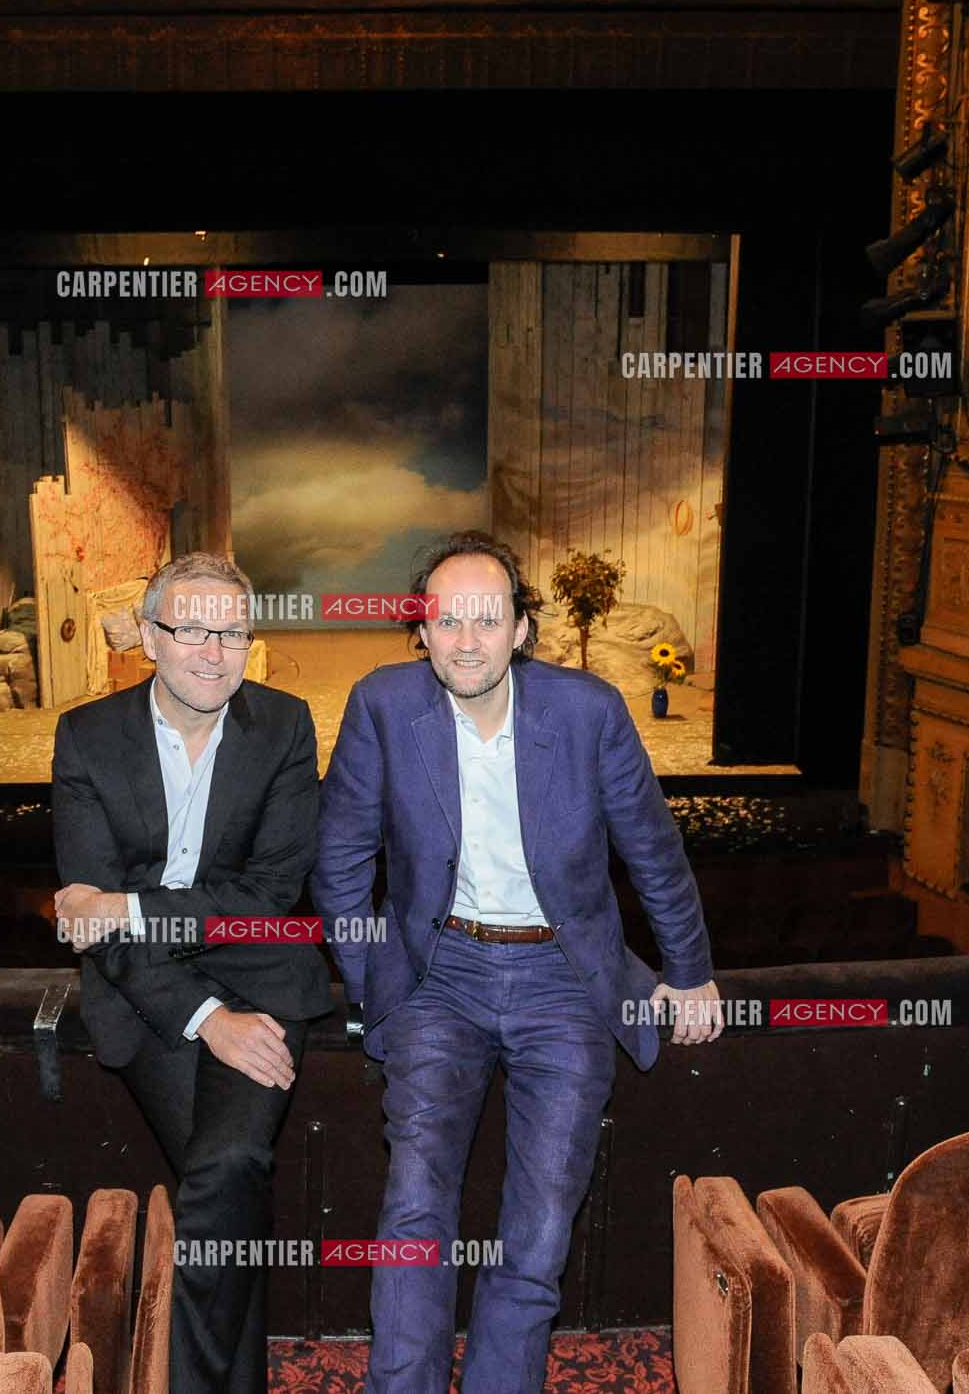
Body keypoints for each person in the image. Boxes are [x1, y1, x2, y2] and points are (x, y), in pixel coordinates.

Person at [312, 530, 722, 1393]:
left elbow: (654, 850)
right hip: (438, 977)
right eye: (446, 620)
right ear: (419, 631)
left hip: (565, 983)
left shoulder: (587, 712)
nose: (466, 640)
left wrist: (688, 969)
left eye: (487, 619)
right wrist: (373, 988)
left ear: (522, 629)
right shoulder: (381, 706)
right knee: (416, 1207)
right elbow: (341, 865)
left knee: (537, 1232)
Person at [49, 551, 333, 1394]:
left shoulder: (284, 726)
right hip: (147, 997)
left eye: (234, 633)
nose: (215, 653)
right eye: (192, 632)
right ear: (148, 637)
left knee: (223, 1173)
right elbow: (94, 926)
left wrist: (131, 906)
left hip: (260, 981)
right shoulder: (87, 737)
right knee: (228, 1188)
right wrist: (207, 1016)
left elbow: (269, 893)